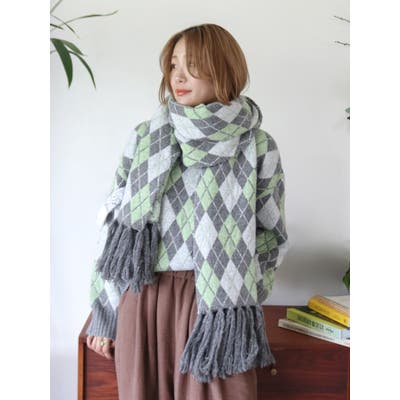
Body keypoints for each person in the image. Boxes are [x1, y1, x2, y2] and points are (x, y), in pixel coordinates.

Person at [86, 23, 290, 400]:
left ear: (223, 68)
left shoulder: (258, 146)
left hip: (216, 308)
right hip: (143, 299)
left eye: (192, 64)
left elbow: (272, 236)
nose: (178, 77)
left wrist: (240, 294)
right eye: (173, 64)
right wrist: (105, 313)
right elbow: (114, 227)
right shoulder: (145, 138)